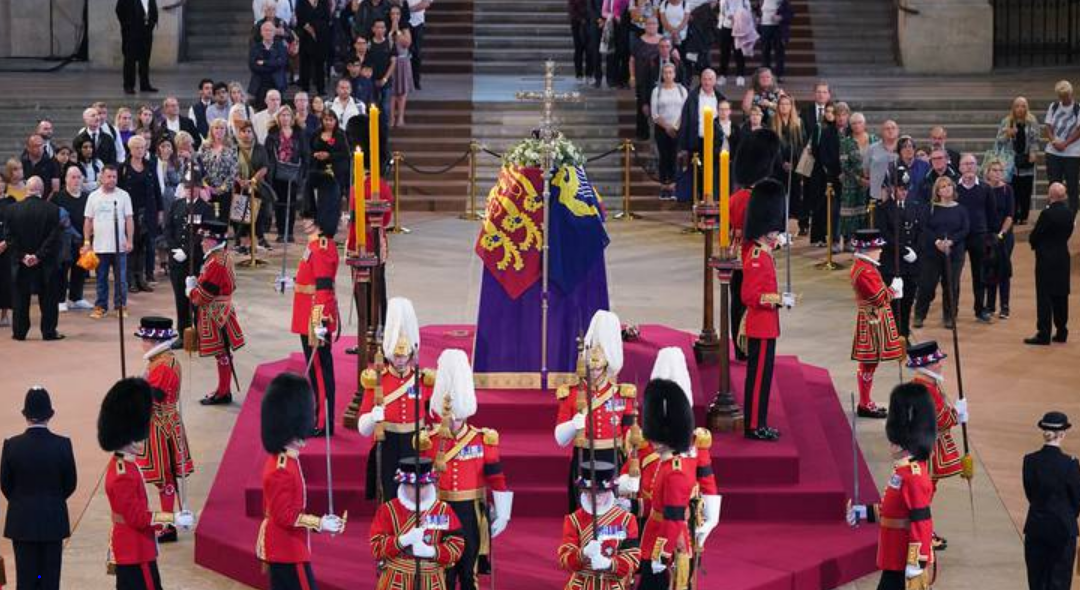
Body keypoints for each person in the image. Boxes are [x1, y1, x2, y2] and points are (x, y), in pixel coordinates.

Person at [419, 349, 514, 590]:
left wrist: (503, 513)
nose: (453, 421)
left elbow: (496, 478)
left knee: (468, 571)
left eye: (457, 417)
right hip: (439, 510)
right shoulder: (428, 441)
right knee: (444, 572)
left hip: (470, 511)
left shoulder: (483, 439)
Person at [98, 377, 196, 590]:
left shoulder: (125, 464)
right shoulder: (123, 473)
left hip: (136, 548)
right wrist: (173, 518)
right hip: (135, 550)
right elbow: (139, 518)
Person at [257, 372, 345, 590]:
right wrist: (319, 523)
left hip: (288, 546)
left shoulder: (286, 459)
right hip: (286, 549)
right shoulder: (282, 469)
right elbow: (285, 516)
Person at [846, 382, 937, 590]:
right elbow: (894, 511)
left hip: (904, 560)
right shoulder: (903, 471)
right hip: (895, 557)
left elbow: (921, 521)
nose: (890, 444)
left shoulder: (913, 476)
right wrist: (862, 512)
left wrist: (916, 562)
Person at [636, 378, 719, 589]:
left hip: (665, 541)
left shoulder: (675, 472)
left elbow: (672, 520)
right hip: (655, 533)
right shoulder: (669, 464)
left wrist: (661, 556)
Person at [554, 310, 636, 511]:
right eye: (591, 368)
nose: (594, 373)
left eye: (598, 368)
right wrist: (574, 425)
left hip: (613, 459)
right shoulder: (571, 393)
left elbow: (631, 439)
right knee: (581, 515)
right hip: (583, 457)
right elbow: (560, 439)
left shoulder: (621, 394)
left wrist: (631, 470)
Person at [357, 297, 435, 502]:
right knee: (390, 494)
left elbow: (435, 416)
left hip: (415, 443)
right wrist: (372, 418)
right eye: (396, 356)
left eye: (404, 355)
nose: (400, 360)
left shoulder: (423, 380)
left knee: (416, 496)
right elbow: (362, 428)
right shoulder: (376, 380)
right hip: (388, 442)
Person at [1, 387, 77, 590]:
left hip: (22, 522)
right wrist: (52, 500)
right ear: (50, 415)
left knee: (27, 579)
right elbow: (70, 484)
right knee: (48, 579)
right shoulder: (63, 444)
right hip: (52, 521)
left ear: (25, 415)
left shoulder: (11, 445)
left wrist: (22, 501)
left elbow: (6, 485)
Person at [740, 175, 793, 441]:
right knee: (758, 379)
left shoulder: (763, 250)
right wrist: (779, 299)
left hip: (767, 327)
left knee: (764, 379)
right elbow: (750, 295)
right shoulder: (758, 257)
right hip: (760, 326)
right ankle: (753, 426)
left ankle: (759, 422)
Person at [133, 317, 193, 544]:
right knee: (166, 478)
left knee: (164, 478)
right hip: (164, 422)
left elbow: (152, 397)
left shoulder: (162, 366)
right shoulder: (161, 360)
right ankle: (169, 522)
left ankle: (168, 525)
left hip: (160, 425)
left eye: (145, 339)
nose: (143, 344)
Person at [904, 339, 966, 551]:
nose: (940, 364)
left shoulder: (928, 385)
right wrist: (957, 414)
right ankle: (921, 531)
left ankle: (923, 528)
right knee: (924, 492)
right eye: (936, 362)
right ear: (924, 365)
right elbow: (940, 419)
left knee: (927, 491)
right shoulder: (925, 390)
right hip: (927, 450)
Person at [370, 457, 466, 589]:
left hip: (432, 582)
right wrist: (403, 540)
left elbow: (457, 546)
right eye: (412, 486)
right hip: (396, 582)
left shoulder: (443, 510)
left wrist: (431, 551)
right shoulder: (388, 510)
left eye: (423, 486)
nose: (418, 491)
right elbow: (377, 547)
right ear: (403, 485)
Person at [185, 219, 246, 404]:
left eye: (205, 239)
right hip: (221, 310)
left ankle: (223, 392)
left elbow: (204, 296)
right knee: (223, 353)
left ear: (213, 240)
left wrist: (191, 291)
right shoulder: (220, 256)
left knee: (222, 353)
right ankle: (222, 389)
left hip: (215, 313)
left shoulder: (216, 262)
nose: (202, 242)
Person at [291, 209, 339, 435]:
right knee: (316, 371)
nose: (304, 222)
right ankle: (319, 417)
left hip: (315, 316)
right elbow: (308, 278)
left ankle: (323, 422)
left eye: (308, 218)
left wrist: (319, 321)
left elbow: (323, 287)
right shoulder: (314, 244)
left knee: (319, 371)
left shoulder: (321, 247)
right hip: (307, 314)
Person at [557, 460, 640, 590]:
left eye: (601, 493)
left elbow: (633, 559)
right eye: (591, 493)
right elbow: (565, 560)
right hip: (581, 585)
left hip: (612, 584)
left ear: (610, 491)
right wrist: (583, 553)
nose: (596, 498)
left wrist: (609, 564)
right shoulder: (573, 520)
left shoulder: (627, 519)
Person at [1023, 411, 1080, 590]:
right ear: (1062, 434)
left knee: (1037, 580)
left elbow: (1030, 493)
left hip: (1036, 526)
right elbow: (1077, 500)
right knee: (1059, 581)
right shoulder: (1071, 464)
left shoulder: (1030, 461)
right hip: (1063, 529)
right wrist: (1067, 515)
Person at [849, 229, 903, 418]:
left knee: (870, 364)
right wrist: (893, 290)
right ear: (869, 249)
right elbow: (879, 298)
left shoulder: (865, 266)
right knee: (869, 363)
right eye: (877, 248)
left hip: (873, 319)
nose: (880, 251)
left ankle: (866, 401)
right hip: (873, 320)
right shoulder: (865, 270)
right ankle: (865, 403)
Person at [6, 177, 63, 341]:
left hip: (21, 263)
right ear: (42, 189)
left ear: (27, 189)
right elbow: (53, 238)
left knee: (20, 299)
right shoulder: (53, 209)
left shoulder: (12, 210)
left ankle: (19, 332)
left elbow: (9, 238)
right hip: (45, 263)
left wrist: (23, 256)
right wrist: (38, 256)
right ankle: (49, 332)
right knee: (49, 299)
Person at [163, 162, 212, 348]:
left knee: (197, 300)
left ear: (200, 188)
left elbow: (205, 235)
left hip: (196, 261)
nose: (190, 190)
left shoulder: (205, 209)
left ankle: (200, 334)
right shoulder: (177, 205)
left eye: (194, 187)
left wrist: (188, 251)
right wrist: (174, 249)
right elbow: (168, 230)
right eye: (187, 187)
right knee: (180, 299)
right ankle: (184, 333)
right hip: (177, 261)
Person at [876, 171, 927, 341]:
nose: (903, 192)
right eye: (899, 188)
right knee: (893, 304)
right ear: (892, 188)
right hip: (893, 264)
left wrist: (916, 251)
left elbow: (921, 231)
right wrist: (904, 251)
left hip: (911, 266)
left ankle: (903, 336)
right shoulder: (883, 210)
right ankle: (892, 337)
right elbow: (884, 235)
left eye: (905, 188)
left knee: (907, 303)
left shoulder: (915, 206)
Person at [913, 177, 968, 330]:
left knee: (951, 285)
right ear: (937, 191)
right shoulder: (929, 208)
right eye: (942, 186)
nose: (947, 188)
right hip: (932, 252)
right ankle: (919, 315)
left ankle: (950, 316)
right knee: (927, 285)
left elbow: (965, 229)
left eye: (949, 185)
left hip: (954, 252)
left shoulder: (961, 209)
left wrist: (951, 242)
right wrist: (937, 242)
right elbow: (924, 228)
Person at [82, 166, 134, 319]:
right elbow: (88, 220)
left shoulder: (123, 195)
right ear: (102, 178)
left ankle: (120, 306)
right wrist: (86, 241)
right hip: (100, 246)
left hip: (120, 246)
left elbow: (129, 219)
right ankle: (100, 306)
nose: (112, 180)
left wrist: (129, 240)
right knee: (101, 278)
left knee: (121, 279)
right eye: (109, 176)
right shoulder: (93, 196)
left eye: (114, 177)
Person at [1025, 182, 1073, 345]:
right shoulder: (1069, 213)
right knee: (1061, 294)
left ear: (1050, 195)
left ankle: (1044, 333)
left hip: (1046, 259)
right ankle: (1061, 331)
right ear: (1064, 196)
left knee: (1045, 296)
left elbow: (1035, 236)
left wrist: (1035, 244)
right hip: (1063, 257)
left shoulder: (1047, 214)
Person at [955, 153, 998, 323]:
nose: (969, 167)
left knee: (980, 274)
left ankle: (980, 309)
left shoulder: (986, 189)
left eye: (972, 164)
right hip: (958, 236)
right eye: (965, 164)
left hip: (979, 236)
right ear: (959, 167)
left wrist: (991, 236)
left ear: (977, 166)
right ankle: (951, 311)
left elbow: (992, 214)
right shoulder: (953, 188)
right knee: (953, 276)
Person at [119, 135, 161, 294]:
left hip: (148, 210)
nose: (140, 150)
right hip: (130, 213)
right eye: (137, 147)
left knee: (144, 245)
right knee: (131, 246)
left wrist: (160, 210)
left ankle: (141, 278)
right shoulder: (123, 167)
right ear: (130, 149)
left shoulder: (150, 165)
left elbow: (156, 188)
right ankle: (130, 280)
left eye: (142, 147)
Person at [677, 69, 726, 200]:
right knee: (696, 174)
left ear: (715, 81)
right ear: (700, 80)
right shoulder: (693, 97)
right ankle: (696, 203)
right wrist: (683, 146)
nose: (707, 82)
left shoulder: (720, 99)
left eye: (710, 79)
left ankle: (711, 201)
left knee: (712, 174)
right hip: (696, 141)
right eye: (704, 79)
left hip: (714, 144)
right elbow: (685, 121)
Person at [52, 166, 94, 312]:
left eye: (78, 177)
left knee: (80, 269)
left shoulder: (87, 197)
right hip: (64, 241)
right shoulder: (58, 197)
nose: (76, 180)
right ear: (66, 179)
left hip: (83, 239)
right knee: (62, 270)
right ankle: (60, 299)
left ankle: (76, 297)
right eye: (73, 177)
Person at [266, 106, 309, 242]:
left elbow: (305, 153)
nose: (285, 118)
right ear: (278, 118)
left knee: (291, 204)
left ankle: (289, 232)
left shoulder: (299, 134)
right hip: (277, 173)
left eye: (287, 115)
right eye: (282, 115)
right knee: (280, 204)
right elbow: (268, 155)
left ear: (292, 118)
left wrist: (304, 172)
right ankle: (280, 232)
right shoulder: (272, 134)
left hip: (294, 172)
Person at [997, 96, 1041, 225]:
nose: (1020, 109)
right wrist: (1008, 134)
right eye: (1017, 106)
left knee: (1025, 189)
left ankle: (1024, 216)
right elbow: (999, 141)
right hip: (1011, 161)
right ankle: (1013, 215)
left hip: (1026, 159)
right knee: (1012, 189)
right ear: (1013, 108)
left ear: (1026, 108)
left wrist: (1033, 152)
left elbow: (1035, 139)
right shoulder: (1007, 121)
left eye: (1023, 106)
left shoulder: (1032, 121)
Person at [308, 111, 350, 237]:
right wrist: (315, 155)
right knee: (320, 199)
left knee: (334, 200)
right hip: (319, 171)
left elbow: (345, 154)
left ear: (335, 121)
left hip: (336, 172)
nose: (328, 122)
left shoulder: (340, 135)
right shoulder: (316, 134)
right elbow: (309, 149)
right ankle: (320, 225)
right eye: (326, 119)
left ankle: (332, 226)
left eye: (331, 120)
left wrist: (329, 155)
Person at [233, 120, 272, 254]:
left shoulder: (260, 148)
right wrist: (240, 180)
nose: (246, 134)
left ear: (253, 132)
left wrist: (253, 180)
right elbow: (232, 167)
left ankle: (256, 240)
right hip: (240, 187)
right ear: (239, 133)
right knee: (241, 215)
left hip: (257, 187)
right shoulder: (235, 148)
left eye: (249, 131)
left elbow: (265, 167)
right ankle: (241, 242)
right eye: (243, 131)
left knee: (257, 215)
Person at [651, 63, 687, 199]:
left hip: (678, 128)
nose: (668, 75)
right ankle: (663, 187)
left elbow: (685, 110)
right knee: (663, 157)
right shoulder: (657, 91)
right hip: (661, 129)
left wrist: (675, 126)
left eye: (670, 72)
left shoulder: (681, 90)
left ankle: (673, 187)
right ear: (662, 74)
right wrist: (667, 127)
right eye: (665, 72)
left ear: (675, 74)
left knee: (674, 157)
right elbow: (655, 114)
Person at [838, 114, 875, 246]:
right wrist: (859, 179)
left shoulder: (874, 139)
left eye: (859, 122)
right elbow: (844, 165)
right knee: (851, 215)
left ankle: (867, 240)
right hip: (851, 184)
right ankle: (850, 241)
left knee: (868, 213)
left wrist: (871, 177)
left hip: (871, 183)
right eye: (853, 123)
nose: (857, 125)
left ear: (864, 124)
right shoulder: (846, 142)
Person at [985, 159, 1015, 319]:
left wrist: (1001, 234)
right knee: (990, 270)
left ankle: (1004, 306)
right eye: (994, 170)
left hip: (1004, 236)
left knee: (1003, 270)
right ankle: (990, 305)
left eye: (1000, 171)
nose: (997, 173)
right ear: (988, 172)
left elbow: (1010, 215)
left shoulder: (1007, 190)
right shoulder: (983, 189)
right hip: (987, 236)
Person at [771, 93, 805, 234]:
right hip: (777, 168)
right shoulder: (772, 123)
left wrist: (794, 164)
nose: (784, 107)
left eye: (787, 104)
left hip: (794, 168)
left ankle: (792, 229)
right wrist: (782, 163)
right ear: (778, 107)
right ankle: (778, 229)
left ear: (792, 107)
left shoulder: (798, 123)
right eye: (782, 104)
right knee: (778, 199)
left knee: (794, 198)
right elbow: (772, 146)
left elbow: (801, 146)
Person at [1044, 80, 1080, 212]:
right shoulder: (1053, 107)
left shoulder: (1077, 109)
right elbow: (1048, 126)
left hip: (1072, 153)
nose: (1064, 99)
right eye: (1061, 97)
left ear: (1071, 94)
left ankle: (1072, 213)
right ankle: (1052, 211)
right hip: (1053, 152)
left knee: (1072, 185)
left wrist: (1065, 143)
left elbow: (1079, 130)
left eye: (1066, 96)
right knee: (1053, 183)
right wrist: (1054, 141)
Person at [808, 101, 840, 248]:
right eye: (827, 111)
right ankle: (818, 236)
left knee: (833, 206)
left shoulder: (840, 130)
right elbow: (815, 150)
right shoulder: (819, 127)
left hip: (834, 172)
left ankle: (833, 236)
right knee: (819, 204)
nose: (829, 114)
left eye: (833, 112)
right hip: (820, 171)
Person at [197, 119, 239, 224]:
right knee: (207, 220)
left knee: (223, 220)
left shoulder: (232, 147)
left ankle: (222, 240)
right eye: (216, 128)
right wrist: (205, 185)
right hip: (206, 190)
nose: (219, 131)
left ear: (226, 130)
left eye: (222, 128)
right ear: (211, 130)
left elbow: (234, 170)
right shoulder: (204, 147)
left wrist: (222, 188)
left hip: (225, 190)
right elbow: (198, 167)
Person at [115, 0, 159, 93]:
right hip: (131, 32)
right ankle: (129, 85)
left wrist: (152, 22)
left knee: (145, 59)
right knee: (130, 60)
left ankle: (145, 84)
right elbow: (119, 10)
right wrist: (127, 25)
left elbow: (153, 10)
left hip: (147, 32)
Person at [249, 21, 290, 109]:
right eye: (266, 30)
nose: (268, 32)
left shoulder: (280, 47)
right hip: (260, 85)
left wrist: (264, 63)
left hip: (277, 84)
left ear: (274, 32)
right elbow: (253, 66)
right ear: (261, 32)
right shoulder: (255, 47)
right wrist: (273, 65)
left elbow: (282, 63)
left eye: (270, 30)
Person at [296, 0, 332, 96]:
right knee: (305, 63)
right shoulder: (302, 2)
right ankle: (305, 88)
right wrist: (309, 29)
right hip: (306, 37)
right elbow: (300, 19)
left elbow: (327, 18)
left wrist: (316, 29)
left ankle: (321, 88)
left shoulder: (323, 2)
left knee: (320, 63)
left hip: (320, 37)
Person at [389, 6, 414, 127]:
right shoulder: (385, 26)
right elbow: (386, 44)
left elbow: (406, 43)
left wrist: (398, 31)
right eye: (392, 14)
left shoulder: (405, 27)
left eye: (397, 14)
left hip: (403, 62)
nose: (395, 16)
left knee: (402, 91)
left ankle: (401, 117)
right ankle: (391, 117)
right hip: (390, 63)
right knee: (392, 92)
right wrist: (391, 31)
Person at [717, 0, 749, 86]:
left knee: (739, 51)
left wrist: (740, 17)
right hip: (726, 26)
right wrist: (729, 16)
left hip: (739, 27)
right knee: (724, 52)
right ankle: (723, 75)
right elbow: (722, 10)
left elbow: (747, 9)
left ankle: (740, 75)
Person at [759, 0, 791, 80]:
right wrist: (758, 17)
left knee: (779, 51)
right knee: (765, 51)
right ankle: (766, 75)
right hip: (765, 26)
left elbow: (790, 13)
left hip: (778, 28)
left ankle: (779, 75)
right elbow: (758, 10)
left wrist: (781, 17)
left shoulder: (783, 1)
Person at [22, 134, 61, 199]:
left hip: (45, 202)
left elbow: (55, 189)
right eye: (36, 146)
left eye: (41, 145)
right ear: (28, 148)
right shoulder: (23, 162)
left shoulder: (52, 163)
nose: (40, 148)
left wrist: (45, 204)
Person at [407, 0, 430, 89]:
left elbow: (426, 2)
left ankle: (415, 80)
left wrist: (409, 9)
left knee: (416, 52)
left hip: (417, 21)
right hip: (402, 19)